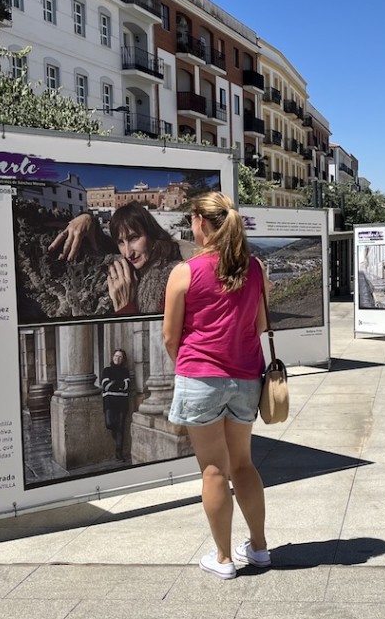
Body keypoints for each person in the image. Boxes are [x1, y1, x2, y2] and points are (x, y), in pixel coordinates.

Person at [162, 191, 270, 580]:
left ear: (202, 224)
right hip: (245, 378)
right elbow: (260, 326)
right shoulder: (255, 269)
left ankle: (223, 558)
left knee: (212, 470)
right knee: (243, 464)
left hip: (200, 377)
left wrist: (194, 368)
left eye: (192, 220)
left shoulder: (184, 272)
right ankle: (258, 547)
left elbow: (171, 337)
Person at [48, 201, 184, 314]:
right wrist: (88, 218)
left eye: (133, 238)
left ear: (152, 237)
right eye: (120, 242)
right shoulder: (130, 263)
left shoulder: (175, 279)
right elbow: (102, 245)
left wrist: (125, 307)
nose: (128, 253)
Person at [99, 349, 132, 460]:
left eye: (120, 357)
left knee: (121, 427)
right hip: (109, 401)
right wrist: (119, 384)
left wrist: (113, 383)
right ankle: (115, 432)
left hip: (122, 402)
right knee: (109, 424)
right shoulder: (106, 370)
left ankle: (119, 453)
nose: (117, 358)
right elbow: (105, 385)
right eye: (116, 356)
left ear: (123, 359)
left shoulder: (125, 371)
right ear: (112, 357)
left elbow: (127, 385)